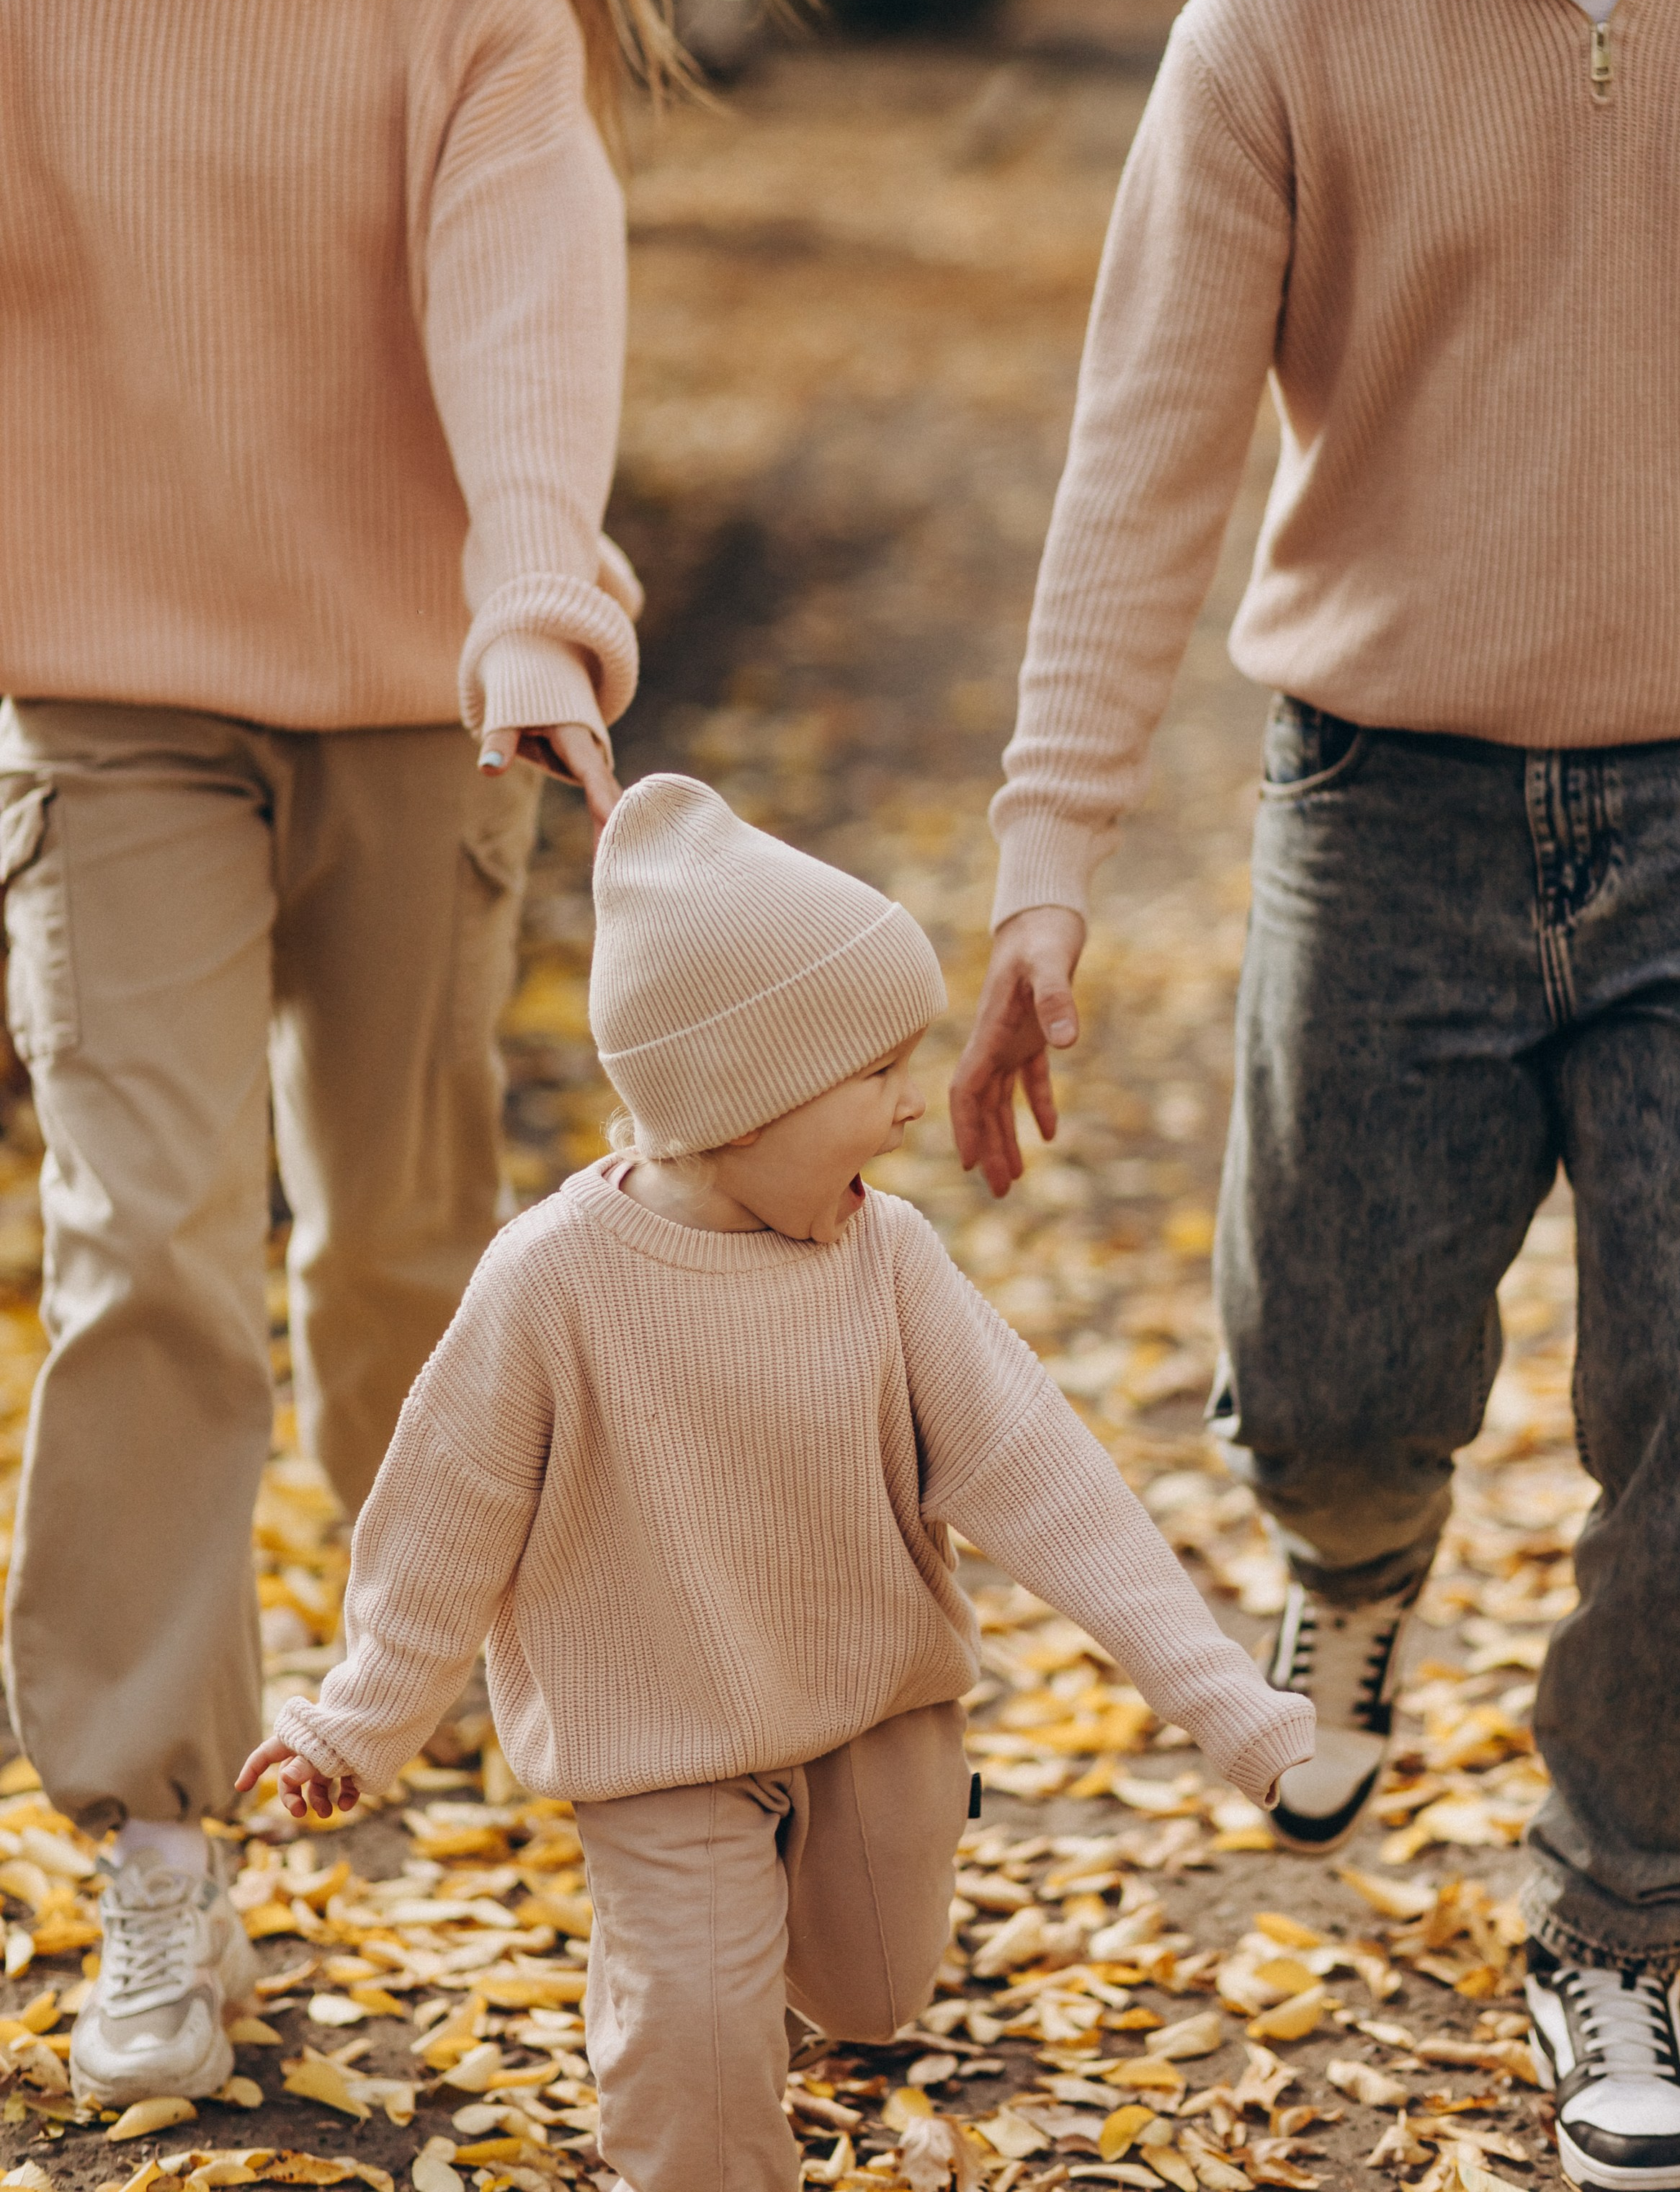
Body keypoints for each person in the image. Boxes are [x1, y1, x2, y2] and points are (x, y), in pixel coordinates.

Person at [950, 0, 1680, 2184]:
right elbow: (1147, 448)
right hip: (1386, 803)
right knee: (1327, 1383)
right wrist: (1045, 863)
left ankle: (1618, 1929)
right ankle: (1354, 1557)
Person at [0, 0, 793, 2108]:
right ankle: (158, 1837)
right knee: (150, 1241)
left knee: (403, 1255)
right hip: (106, 700)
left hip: (419, 698)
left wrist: (536, 603)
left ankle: (519, 1689)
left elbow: (523, 310)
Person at [236, 773, 1316, 2192]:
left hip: (872, 1702)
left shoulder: (889, 1258)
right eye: (878, 1074)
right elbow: (446, 1518)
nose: (913, 1106)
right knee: (696, 2040)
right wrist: (355, 1722)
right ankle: (683, 2056)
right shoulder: (551, 1284)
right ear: (740, 1108)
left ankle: (750, 1955)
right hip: (660, 1733)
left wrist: (1229, 1704)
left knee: (875, 1993)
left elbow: (1050, 1482)